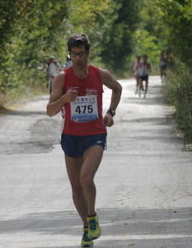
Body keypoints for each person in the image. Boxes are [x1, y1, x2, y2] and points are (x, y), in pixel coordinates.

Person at [46, 33, 122, 247]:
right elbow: (50, 111)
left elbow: (117, 88)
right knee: (76, 187)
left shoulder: (99, 74)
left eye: (81, 54)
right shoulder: (62, 77)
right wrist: (64, 99)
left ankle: (92, 217)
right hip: (71, 136)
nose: (77, 58)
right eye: (74, 54)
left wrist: (111, 113)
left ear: (88, 53)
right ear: (69, 55)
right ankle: (86, 229)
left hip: (95, 134)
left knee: (86, 178)